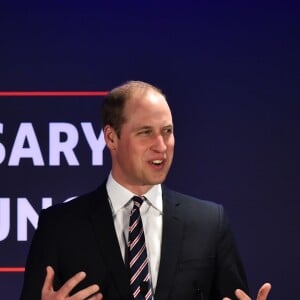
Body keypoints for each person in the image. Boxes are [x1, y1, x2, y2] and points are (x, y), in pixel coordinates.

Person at [20, 81, 271, 300]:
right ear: (111, 138)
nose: (161, 146)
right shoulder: (60, 227)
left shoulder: (209, 224)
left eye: (167, 132)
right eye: (146, 133)